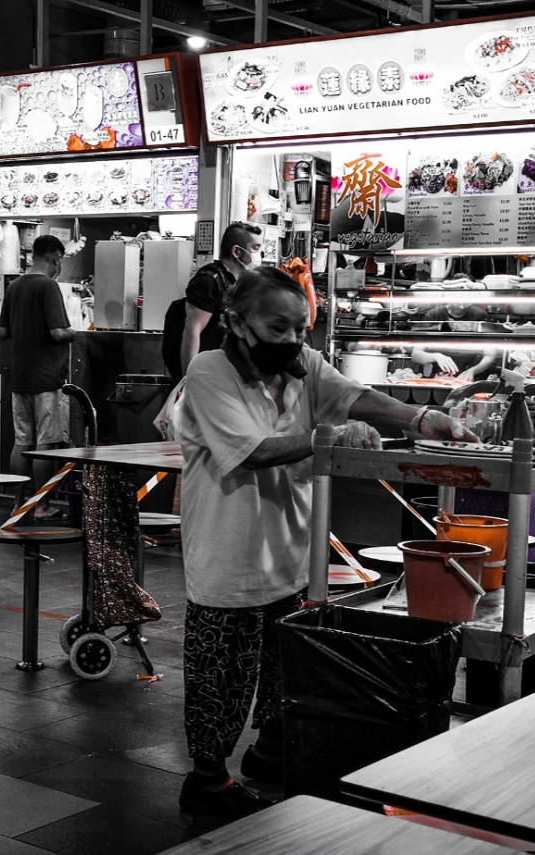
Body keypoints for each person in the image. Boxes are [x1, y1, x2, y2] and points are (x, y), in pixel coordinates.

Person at [173, 268, 476, 819]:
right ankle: (207, 782)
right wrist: (329, 438)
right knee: (223, 674)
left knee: (282, 668)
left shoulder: (304, 367)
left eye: (300, 328)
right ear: (236, 323)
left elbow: (357, 396)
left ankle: (269, 752)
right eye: (278, 328)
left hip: (291, 549)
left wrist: (423, 417)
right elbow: (254, 451)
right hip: (227, 554)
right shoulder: (208, 371)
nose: (292, 339)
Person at [0, 235, 75, 521]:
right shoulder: (48, 286)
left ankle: (18, 504)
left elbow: (3, 332)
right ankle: (41, 505)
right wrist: (74, 332)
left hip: (20, 377)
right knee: (46, 442)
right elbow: (58, 332)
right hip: (46, 377)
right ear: (56, 258)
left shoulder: (15, 286)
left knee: (22, 441)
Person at [162, 221, 263, 383]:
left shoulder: (241, 283)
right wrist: (188, 380)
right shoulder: (208, 281)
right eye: (255, 248)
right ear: (236, 251)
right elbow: (192, 331)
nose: (259, 255)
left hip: (230, 373)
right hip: (207, 375)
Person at [410, 302, 499, 380]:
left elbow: (490, 355)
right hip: (437, 377)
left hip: (471, 377)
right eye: (458, 302)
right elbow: (416, 355)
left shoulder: (480, 315)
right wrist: (436, 356)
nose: (462, 306)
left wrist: (473, 371)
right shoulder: (434, 315)